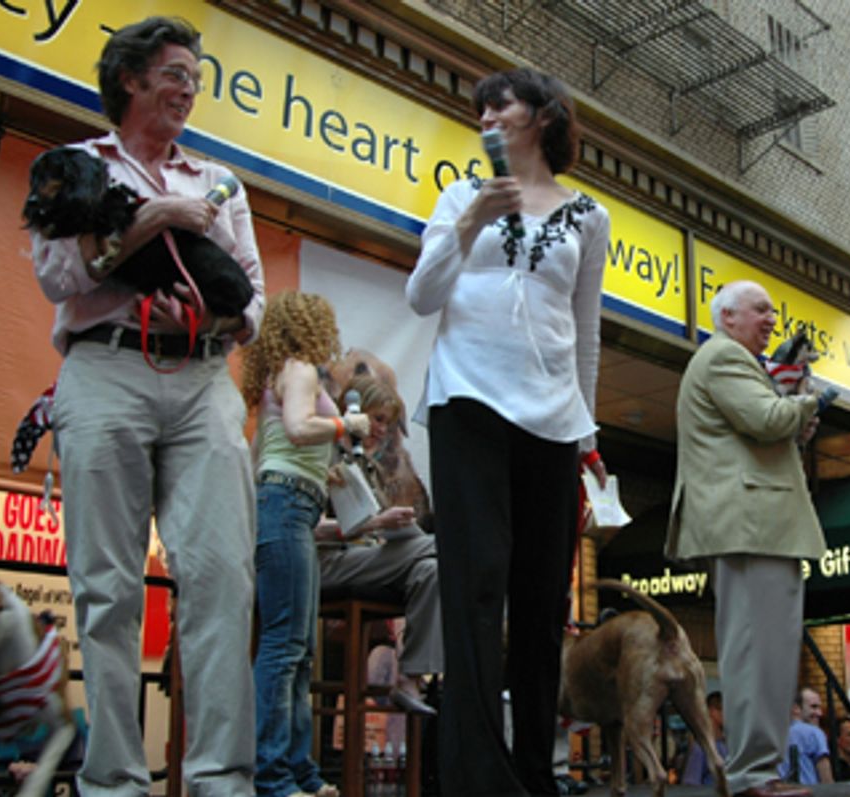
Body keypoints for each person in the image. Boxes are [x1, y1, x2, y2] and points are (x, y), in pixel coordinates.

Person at [30, 16, 265, 795]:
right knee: (106, 585)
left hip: (202, 380)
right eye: (174, 73)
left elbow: (254, 303)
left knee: (223, 577)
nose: (188, 89)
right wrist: (155, 220)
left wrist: (206, 320)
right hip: (103, 370)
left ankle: (221, 777)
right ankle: (114, 781)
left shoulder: (220, 181)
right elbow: (61, 276)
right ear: (129, 79)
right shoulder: (72, 166)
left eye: (195, 78)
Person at [406, 67, 610, 797]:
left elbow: (585, 332)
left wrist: (588, 434)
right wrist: (469, 222)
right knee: (474, 585)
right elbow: (420, 294)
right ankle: (473, 776)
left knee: (540, 595)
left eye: (502, 102)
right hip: (467, 404)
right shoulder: (461, 195)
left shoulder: (590, 215)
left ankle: (535, 770)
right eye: (479, 104)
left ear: (545, 115)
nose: (487, 113)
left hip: (554, 418)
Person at [665, 280, 823, 797]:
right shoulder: (725, 358)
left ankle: (759, 768)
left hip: (755, 523)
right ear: (727, 315)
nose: (771, 320)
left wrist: (790, 408)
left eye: (773, 311)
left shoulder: (728, 361)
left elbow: (762, 427)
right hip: (753, 523)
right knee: (759, 650)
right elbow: (765, 419)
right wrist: (806, 400)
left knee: (764, 649)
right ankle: (756, 772)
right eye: (761, 310)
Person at [241, 292, 367, 797]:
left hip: (286, 503)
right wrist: (345, 425)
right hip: (288, 503)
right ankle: (274, 775)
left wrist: (321, 473)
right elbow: (298, 428)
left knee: (298, 648)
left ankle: (298, 771)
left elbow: (264, 454)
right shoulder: (300, 370)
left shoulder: (278, 374)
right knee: (285, 645)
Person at [316, 373, 443, 715]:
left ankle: (411, 677)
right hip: (326, 564)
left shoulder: (368, 466)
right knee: (445, 553)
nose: (382, 430)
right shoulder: (322, 453)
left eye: (387, 423)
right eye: (377, 419)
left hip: (365, 560)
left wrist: (392, 527)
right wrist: (375, 523)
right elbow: (304, 527)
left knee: (432, 570)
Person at [779, 688, 833, 785]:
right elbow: (827, 781)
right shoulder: (814, 732)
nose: (819, 713)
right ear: (796, 708)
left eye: (819, 708)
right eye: (813, 707)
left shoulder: (776, 734)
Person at [681, 692, 729, 786]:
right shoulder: (700, 749)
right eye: (723, 710)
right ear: (712, 711)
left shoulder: (727, 746)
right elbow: (691, 784)